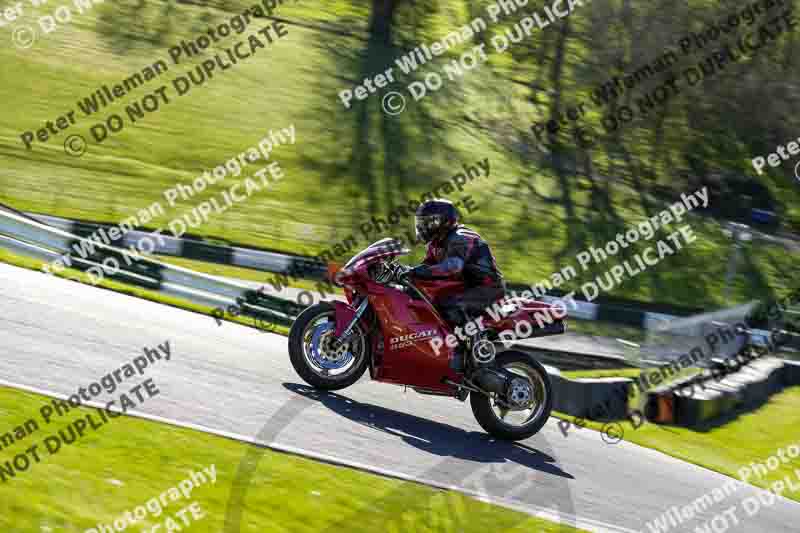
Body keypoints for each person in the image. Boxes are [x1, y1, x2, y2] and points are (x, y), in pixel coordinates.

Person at [401, 198, 505, 370]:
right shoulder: (437, 243)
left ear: (443, 221)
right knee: (419, 295)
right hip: (465, 285)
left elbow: (453, 267)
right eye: (420, 222)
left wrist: (419, 272)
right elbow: (428, 266)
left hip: (486, 288)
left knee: (451, 305)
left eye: (428, 222)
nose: (422, 227)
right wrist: (405, 271)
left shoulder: (460, 237)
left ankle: (470, 352)